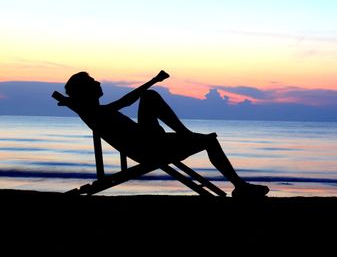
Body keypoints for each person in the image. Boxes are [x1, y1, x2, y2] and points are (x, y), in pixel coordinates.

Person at [63, 70, 269, 198]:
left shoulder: (93, 111)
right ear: (85, 91)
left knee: (207, 140)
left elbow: (117, 105)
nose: (98, 83)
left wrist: (71, 102)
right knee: (150, 96)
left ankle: (240, 185)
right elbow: (126, 101)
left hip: (148, 142)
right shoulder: (96, 112)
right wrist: (153, 80)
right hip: (149, 148)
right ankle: (240, 186)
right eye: (92, 82)